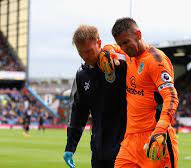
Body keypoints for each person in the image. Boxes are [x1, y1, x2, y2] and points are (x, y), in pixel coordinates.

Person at [108, 17, 179, 168]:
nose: (124, 47)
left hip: (154, 138)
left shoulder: (155, 60)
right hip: (130, 139)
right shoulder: (129, 55)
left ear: (138, 34)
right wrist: (108, 50)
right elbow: (113, 48)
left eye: (126, 42)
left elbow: (171, 96)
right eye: (121, 44)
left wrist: (160, 130)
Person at [63, 25, 127, 168]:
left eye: (89, 51)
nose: (85, 56)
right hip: (98, 149)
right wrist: (70, 147)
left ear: (99, 43)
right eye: (81, 52)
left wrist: (115, 53)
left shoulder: (119, 64)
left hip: (124, 148)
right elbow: (79, 111)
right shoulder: (82, 75)